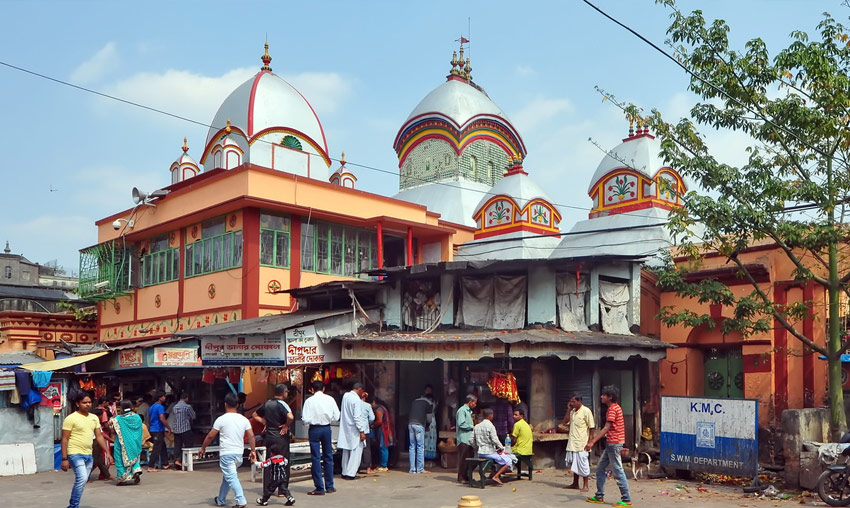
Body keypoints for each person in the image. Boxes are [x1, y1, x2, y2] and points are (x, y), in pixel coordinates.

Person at [200, 392, 257, 508]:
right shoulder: (244, 420)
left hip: (227, 454)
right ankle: (221, 499)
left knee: (231, 477)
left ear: (225, 404)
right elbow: (251, 436)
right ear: (238, 405)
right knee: (228, 477)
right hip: (238, 454)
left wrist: (203, 448)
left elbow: (210, 436)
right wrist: (253, 450)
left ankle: (241, 500)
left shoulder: (221, 420)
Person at [62, 392, 113, 508]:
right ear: (77, 404)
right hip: (75, 453)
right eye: (84, 402)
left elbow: (99, 436)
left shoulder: (94, 418)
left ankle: (74, 504)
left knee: (83, 480)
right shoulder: (71, 418)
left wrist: (108, 453)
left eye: (89, 402)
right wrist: (64, 458)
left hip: (89, 454)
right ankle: (73, 506)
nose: (87, 404)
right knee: (82, 478)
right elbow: (65, 439)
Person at [586, 386, 631, 507]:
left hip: (614, 444)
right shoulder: (615, 407)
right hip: (612, 444)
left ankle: (626, 499)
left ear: (609, 397)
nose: (601, 397)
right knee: (600, 468)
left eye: (603, 395)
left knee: (618, 471)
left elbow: (606, 428)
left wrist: (592, 441)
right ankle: (599, 495)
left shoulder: (612, 409)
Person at [254, 384, 294, 498]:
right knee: (283, 462)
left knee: (269, 463)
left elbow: (254, 414)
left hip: (269, 437)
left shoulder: (267, 403)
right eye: (286, 392)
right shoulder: (282, 404)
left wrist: (265, 422)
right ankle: (282, 490)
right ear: (283, 392)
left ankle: (267, 489)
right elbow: (290, 417)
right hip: (280, 437)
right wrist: (286, 426)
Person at [301, 380, 340, 496]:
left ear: (312, 389)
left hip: (314, 429)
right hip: (326, 428)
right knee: (328, 456)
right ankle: (330, 486)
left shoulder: (309, 401)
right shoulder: (330, 399)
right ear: (323, 389)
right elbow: (337, 416)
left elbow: (305, 419)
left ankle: (319, 487)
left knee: (316, 458)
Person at [469, 408, 511, 486]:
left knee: (495, 459)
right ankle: (496, 476)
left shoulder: (477, 426)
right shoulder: (490, 426)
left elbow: (471, 440)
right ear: (491, 415)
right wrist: (501, 448)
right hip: (489, 452)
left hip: (480, 453)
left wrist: (477, 447)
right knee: (508, 461)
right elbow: (495, 439)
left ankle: (493, 472)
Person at [564, 394, 595, 492]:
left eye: (573, 402)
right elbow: (565, 422)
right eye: (571, 402)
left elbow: (592, 427)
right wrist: (568, 410)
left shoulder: (586, 411)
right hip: (572, 443)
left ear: (579, 401)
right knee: (574, 464)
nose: (571, 403)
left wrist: (590, 441)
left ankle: (586, 485)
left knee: (583, 464)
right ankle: (575, 483)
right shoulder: (572, 411)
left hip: (582, 443)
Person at [338, 382, 369, 480]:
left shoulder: (346, 396)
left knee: (346, 451)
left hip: (346, 428)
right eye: (362, 392)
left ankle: (345, 471)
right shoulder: (356, 400)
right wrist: (362, 431)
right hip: (354, 429)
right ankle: (351, 473)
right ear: (360, 389)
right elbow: (357, 417)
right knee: (356, 452)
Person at [110, 399, 144, 485]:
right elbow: (140, 430)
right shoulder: (137, 417)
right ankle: (136, 470)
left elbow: (113, 429)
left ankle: (123, 478)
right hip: (134, 442)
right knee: (133, 457)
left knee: (119, 459)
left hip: (122, 443)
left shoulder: (118, 419)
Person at [254, 441, 295, 506]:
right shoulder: (283, 458)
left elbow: (262, 465)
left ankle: (264, 501)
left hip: (274, 479)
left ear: (272, 453)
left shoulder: (271, 460)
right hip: (283, 477)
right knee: (284, 489)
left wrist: (255, 462)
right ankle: (290, 498)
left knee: (269, 490)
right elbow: (286, 463)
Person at [407, 391, 434, 474]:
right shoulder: (429, 403)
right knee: (420, 446)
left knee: (412, 446)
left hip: (410, 424)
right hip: (419, 425)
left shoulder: (415, 401)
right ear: (430, 399)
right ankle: (420, 469)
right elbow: (429, 419)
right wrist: (427, 426)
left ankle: (412, 469)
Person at [455, 394, 478, 483]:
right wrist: (472, 426)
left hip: (469, 439)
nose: (475, 405)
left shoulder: (469, 412)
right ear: (470, 402)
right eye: (474, 403)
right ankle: (461, 477)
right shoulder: (462, 411)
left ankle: (468, 476)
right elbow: (461, 424)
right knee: (463, 459)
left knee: (470, 458)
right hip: (463, 439)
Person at [147, 391, 172, 471]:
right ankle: (151, 466)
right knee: (157, 448)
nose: (165, 398)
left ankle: (165, 463)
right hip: (158, 429)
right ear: (160, 398)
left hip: (153, 429)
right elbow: (162, 418)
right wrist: (168, 427)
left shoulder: (151, 407)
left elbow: (149, 418)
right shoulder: (160, 407)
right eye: (163, 396)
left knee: (163, 446)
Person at [171, 392, 196, 469]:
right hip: (185, 429)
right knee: (188, 446)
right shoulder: (187, 407)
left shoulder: (174, 407)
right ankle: (187, 462)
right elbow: (193, 416)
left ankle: (177, 462)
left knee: (177, 447)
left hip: (176, 430)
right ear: (186, 398)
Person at [91, 396, 113, 481]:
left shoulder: (94, 418)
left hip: (96, 440)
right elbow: (101, 434)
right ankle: (85, 475)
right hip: (94, 441)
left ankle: (106, 474)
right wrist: (111, 439)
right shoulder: (95, 421)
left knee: (100, 459)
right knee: (96, 460)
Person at [370, 397, 393, 472]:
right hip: (385, 429)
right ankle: (382, 464)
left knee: (383, 446)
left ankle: (384, 465)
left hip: (383, 430)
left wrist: (372, 426)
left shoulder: (379, 409)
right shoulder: (383, 408)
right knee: (383, 447)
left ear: (374, 402)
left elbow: (379, 421)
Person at [359, 391, 376, 475]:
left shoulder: (355, 404)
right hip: (365, 429)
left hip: (356, 430)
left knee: (357, 449)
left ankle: (356, 467)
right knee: (367, 449)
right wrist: (368, 423)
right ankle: (368, 468)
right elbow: (372, 418)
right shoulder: (367, 406)